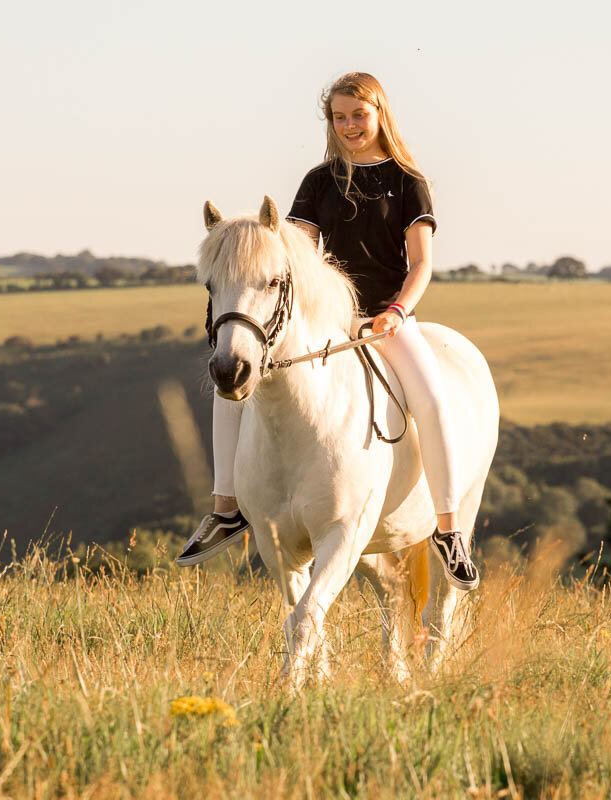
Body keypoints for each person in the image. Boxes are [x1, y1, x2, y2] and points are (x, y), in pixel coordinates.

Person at [176, 71, 479, 590]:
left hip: (385, 319)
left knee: (431, 398)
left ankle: (449, 528)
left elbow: (421, 263)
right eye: (339, 117)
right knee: (232, 389)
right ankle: (227, 506)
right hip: (329, 320)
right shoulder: (318, 182)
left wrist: (399, 312)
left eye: (358, 115)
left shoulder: (409, 182)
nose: (349, 126)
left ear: (380, 113)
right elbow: (294, 252)